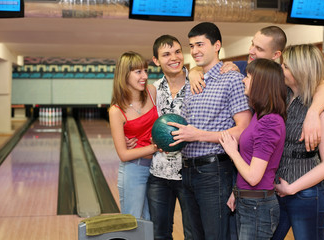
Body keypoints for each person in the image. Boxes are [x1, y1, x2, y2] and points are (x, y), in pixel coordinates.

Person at [189, 25, 324, 152]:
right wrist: (194, 72)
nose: (251, 51)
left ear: (276, 55)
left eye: (258, 48)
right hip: (238, 148)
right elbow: (209, 66)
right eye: (252, 44)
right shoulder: (238, 68)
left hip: (267, 149)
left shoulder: (281, 75)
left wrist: (313, 113)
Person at [168, 22, 252, 240]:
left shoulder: (231, 79)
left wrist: (198, 135)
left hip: (213, 172)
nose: (194, 50)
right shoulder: (192, 81)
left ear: (217, 45)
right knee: (193, 236)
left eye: (200, 44)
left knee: (216, 236)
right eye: (191, 46)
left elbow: (243, 130)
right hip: (186, 171)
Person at [272, 44, 324, 240]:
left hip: (306, 194)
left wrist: (292, 188)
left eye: (286, 66)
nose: (281, 69)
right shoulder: (284, 97)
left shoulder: (321, 113)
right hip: (278, 190)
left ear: (301, 71)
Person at [220, 58, 287, 239]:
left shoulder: (270, 122)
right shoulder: (260, 116)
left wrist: (232, 152)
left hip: (258, 206)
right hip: (249, 201)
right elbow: (249, 162)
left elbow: (253, 176)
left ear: (261, 83)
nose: (243, 79)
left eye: (248, 76)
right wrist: (237, 191)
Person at [146, 35, 192, 240]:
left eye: (177, 52)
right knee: (160, 234)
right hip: (159, 173)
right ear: (156, 60)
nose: (174, 58)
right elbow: (145, 125)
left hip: (190, 173)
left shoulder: (198, 83)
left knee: (193, 232)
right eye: (166, 54)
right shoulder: (152, 90)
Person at [108, 51, 158, 220]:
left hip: (158, 168)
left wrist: (194, 72)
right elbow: (123, 154)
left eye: (145, 70)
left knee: (154, 224)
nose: (144, 76)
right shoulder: (116, 111)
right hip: (134, 169)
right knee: (135, 224)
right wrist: (154, 147)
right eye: (138, 72)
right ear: (125, 75)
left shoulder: (152, 91)